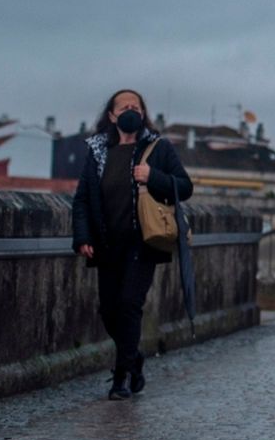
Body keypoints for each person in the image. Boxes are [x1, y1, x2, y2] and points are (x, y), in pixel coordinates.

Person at [71, 88, 193, 400]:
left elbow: (184, 186)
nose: (131, 110)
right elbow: (83, 198)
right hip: (107, 244)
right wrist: (83, 237)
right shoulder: (98, 151)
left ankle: (121, 377)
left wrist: (153, 176)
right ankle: (134, 357)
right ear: (111, 115)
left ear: (143, 114)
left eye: (136, 106)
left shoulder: (158, 148)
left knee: (128, 305)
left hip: (143, 242)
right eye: (124, 106)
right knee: (108, 310)